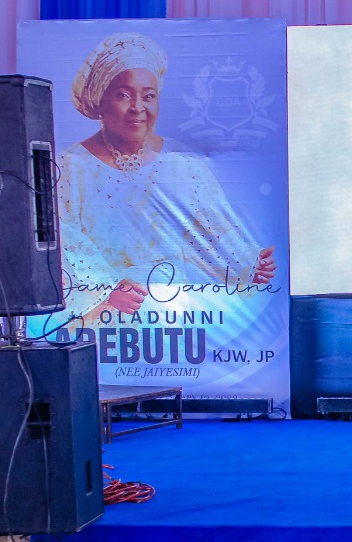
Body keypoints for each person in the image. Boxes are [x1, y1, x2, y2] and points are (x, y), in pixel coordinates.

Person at [57, 32, 275, 326]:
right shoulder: (70, 167)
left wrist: (248, 265)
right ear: (100, 100)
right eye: (123, 95)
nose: (137, 107)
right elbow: (63, 241)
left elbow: (213, 229)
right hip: (102, 320)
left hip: (169, 318)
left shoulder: (181, 163)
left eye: (148, 96)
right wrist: (107, 289)